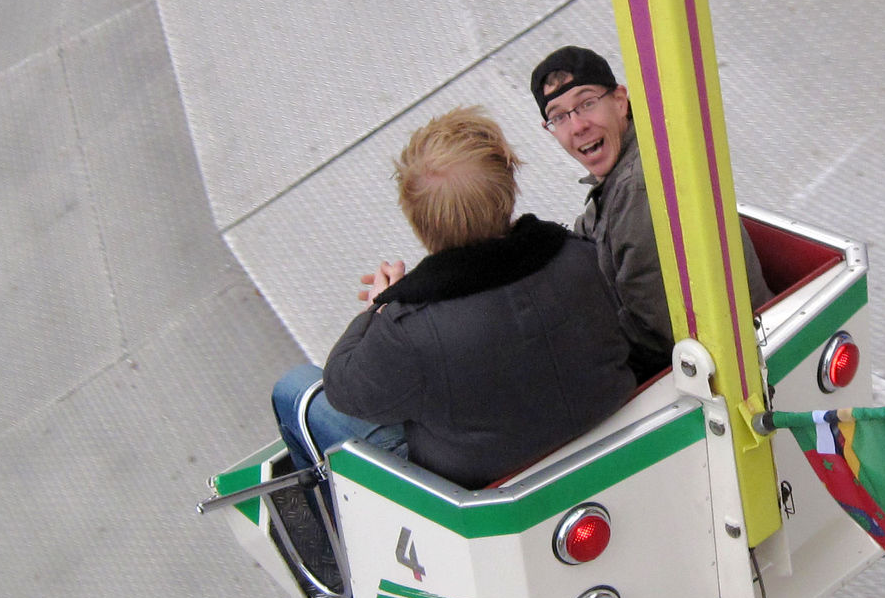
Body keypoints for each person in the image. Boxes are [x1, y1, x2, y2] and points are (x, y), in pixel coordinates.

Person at [271, 107, 635, 491]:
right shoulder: (581, 257)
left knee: (294, 388)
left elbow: (343, 389)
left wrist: (379, 307)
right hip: (604, 437)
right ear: (508, 188)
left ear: (418, 219)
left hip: (474, 492)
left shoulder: (408, 331)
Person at [529, 46, 772, 381]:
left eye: (587, 104)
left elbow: (657, 334)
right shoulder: (617, 180)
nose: (578, 126)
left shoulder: (639, 186)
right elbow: (585, 244)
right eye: (559, 117)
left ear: (620, 101)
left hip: (737, 367)